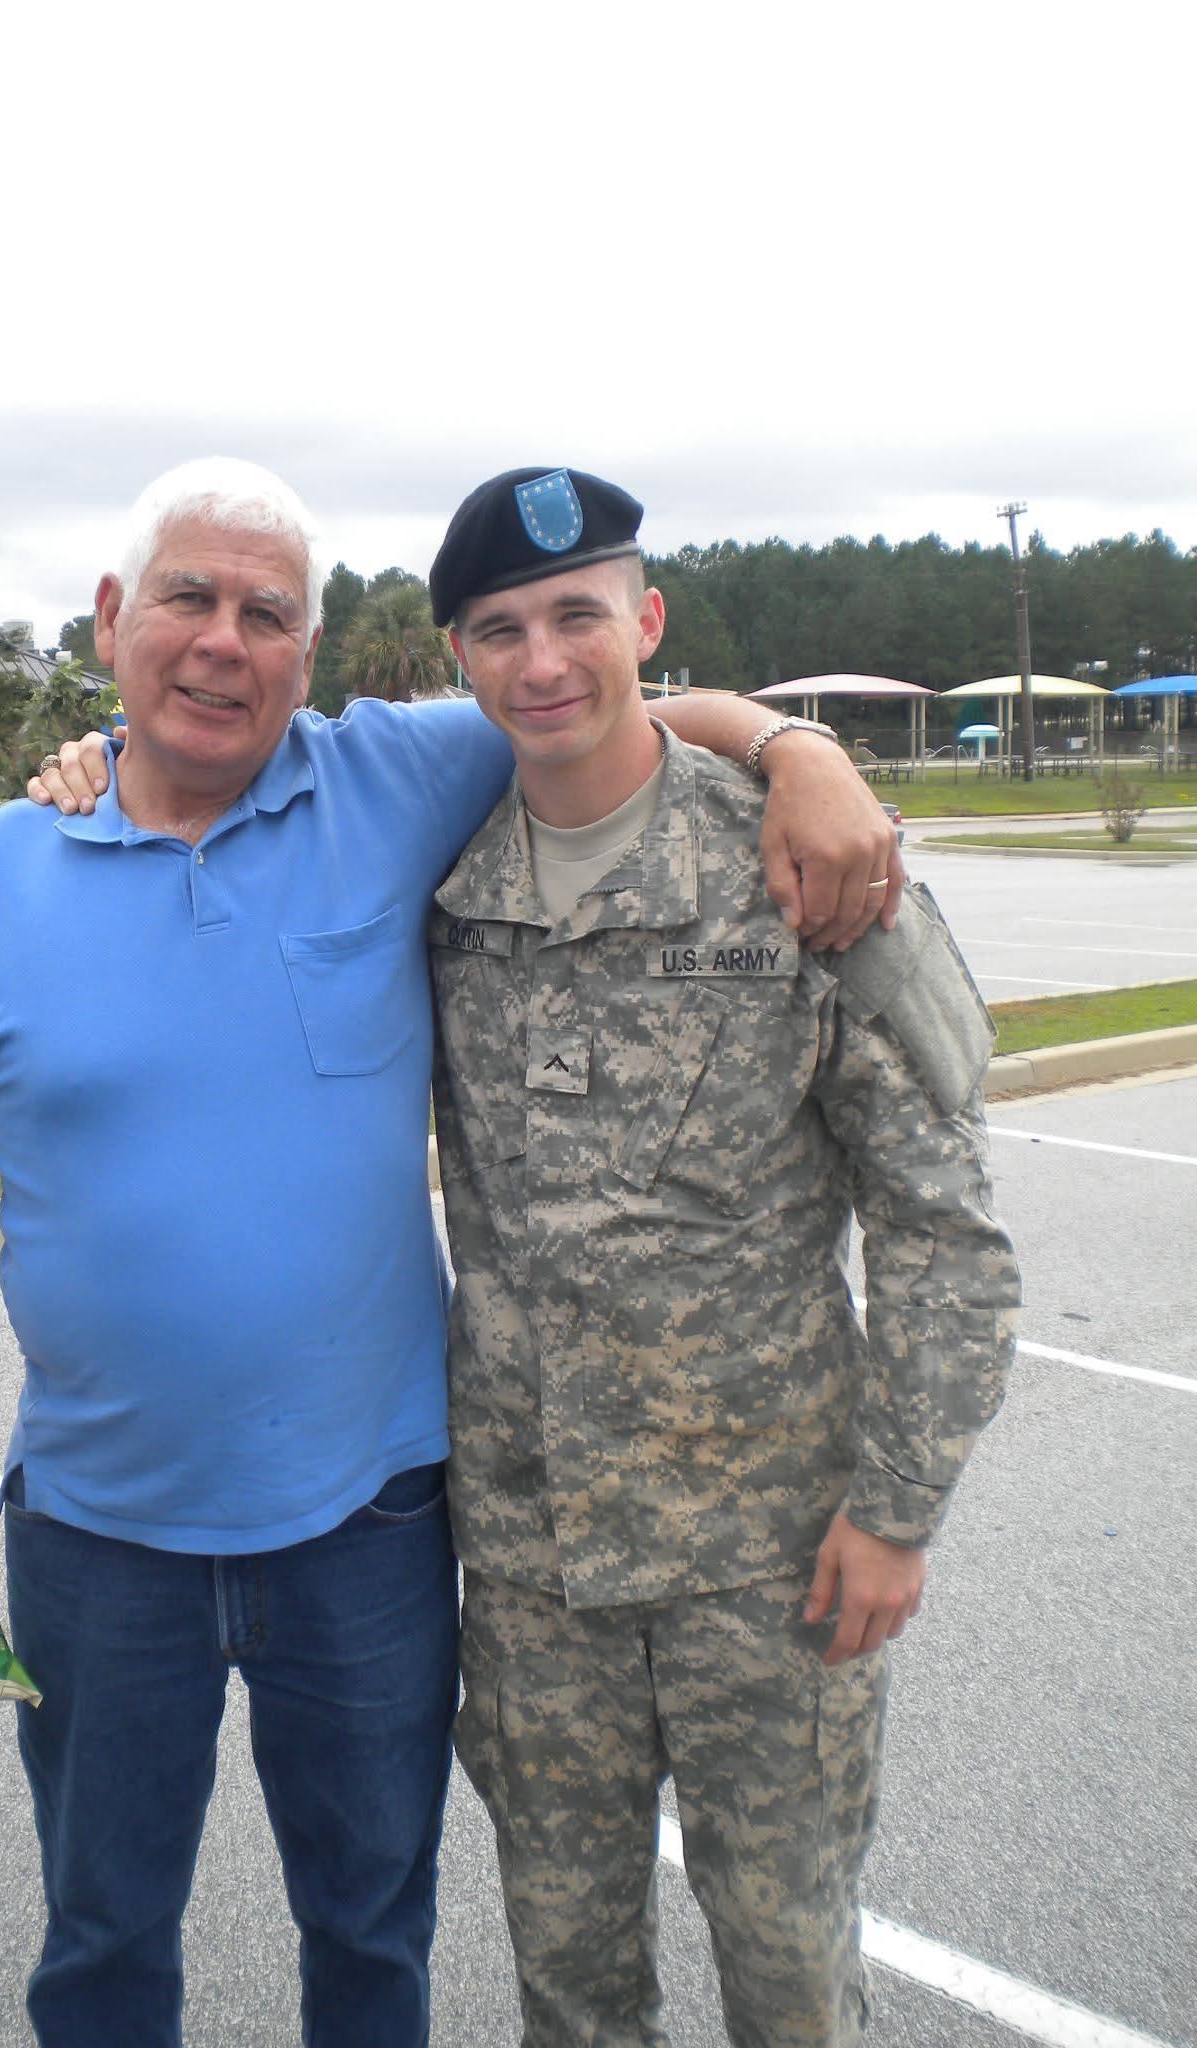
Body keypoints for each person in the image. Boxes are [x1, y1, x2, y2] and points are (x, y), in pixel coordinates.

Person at [0, 457, 901, 2048]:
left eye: (267, 614)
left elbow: (592, 700)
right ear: (112, 617)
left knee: (370, 1927)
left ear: (311, 656)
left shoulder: (388, 781)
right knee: (101, 1931)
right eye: (189, 599)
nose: (225, 640)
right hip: (98, 1533)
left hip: (367, 1529)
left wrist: (799, 749)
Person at [423, 467, 1021, 2047]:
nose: (543, 661)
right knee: (570, 1991)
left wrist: (896, 1510)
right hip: (538, 1574)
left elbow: (944, 1229)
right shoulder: (440, 879)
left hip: (772, 1566)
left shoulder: (804, 868)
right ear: (458, 658)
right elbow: (242, 767)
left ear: (648, 622)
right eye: (500, 630)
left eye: (578, 616)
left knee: (790, 1980)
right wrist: (98, 757)